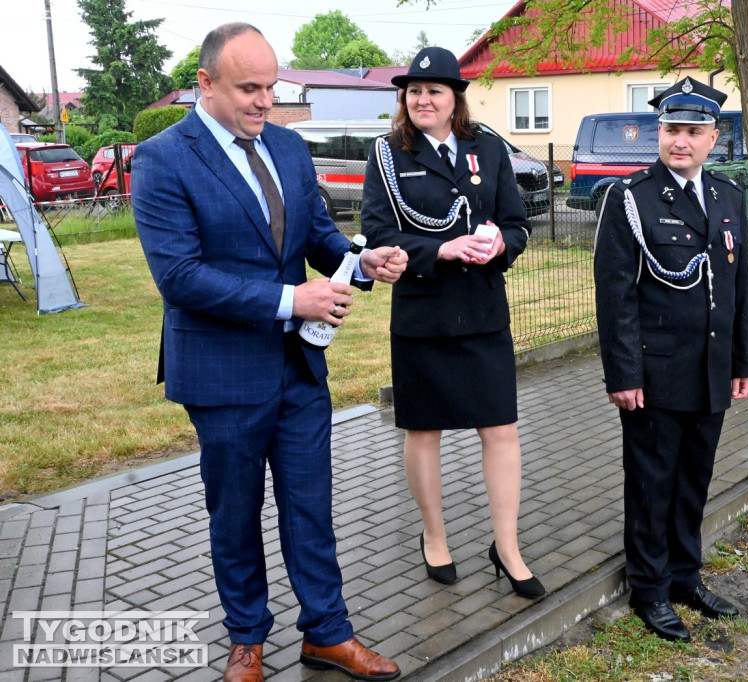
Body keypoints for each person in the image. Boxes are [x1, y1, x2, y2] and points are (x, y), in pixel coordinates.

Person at [132, 23, 408, 682]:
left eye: (271, 87)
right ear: (205, 84)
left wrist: (359, 261)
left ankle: (327, 634)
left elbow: (315, 235)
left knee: (311, 505)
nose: (264, 101)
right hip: (221, 373)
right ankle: (247, 641)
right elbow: (181, 277)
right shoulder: (162, 159)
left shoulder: (285, 146)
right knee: (235, 514)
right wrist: (294, 302)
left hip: (297, 371)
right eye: (249, 89)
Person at [360, 46, 544, 599]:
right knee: (424, 429)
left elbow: (517, 224)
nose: (422, 99)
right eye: (413, 91)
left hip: (483, 309)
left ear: (453, 97)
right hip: (423, 311)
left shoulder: (487, 147)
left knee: (501, 430)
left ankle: (506, 547)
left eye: (434, 91)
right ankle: (434, 536)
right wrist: (440, 250)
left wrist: (497, 246)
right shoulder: (388, 154)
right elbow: (375, 232)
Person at [593, 77, 748, 642]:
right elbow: (616, 297)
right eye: (670, 130)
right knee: (651, 482)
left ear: (714, 137)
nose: (679, 142)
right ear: (658, 133)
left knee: (694, 479)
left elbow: (740, 291)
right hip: (654, 373)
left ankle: (686, 576)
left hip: (710, 369)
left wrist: (743, 361)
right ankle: (651, 589)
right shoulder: (632, 199)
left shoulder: (728, 198)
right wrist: (623, 374)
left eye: (692, 132)